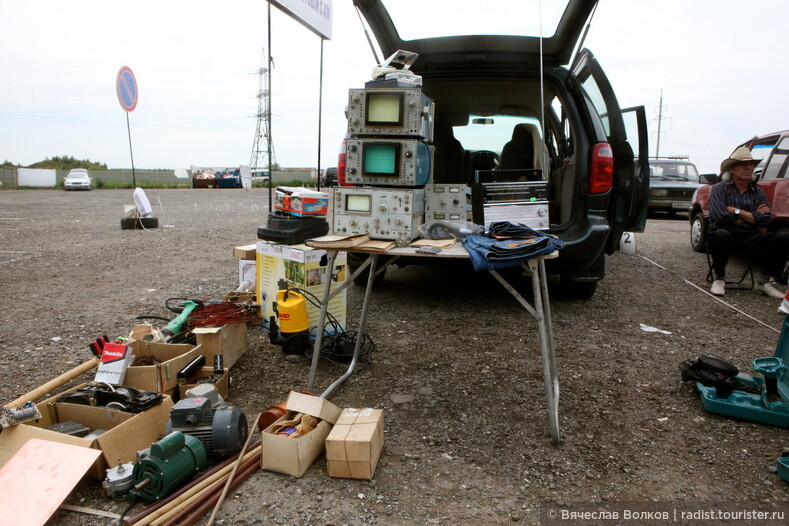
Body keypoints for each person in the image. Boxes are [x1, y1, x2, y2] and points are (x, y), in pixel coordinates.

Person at [707, 146, 789, 298]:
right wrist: (753, 216)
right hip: (726, 234)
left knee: (784, 237)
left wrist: (736, 211)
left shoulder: (758, 192)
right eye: (742, 164)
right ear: (732, 169)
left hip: (750, 235)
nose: (748, 167)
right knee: (720, 234)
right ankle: (719, 279)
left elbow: (765, 220)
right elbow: (720, 217)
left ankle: (763, 282)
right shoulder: (719, 189)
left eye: (751, 165)